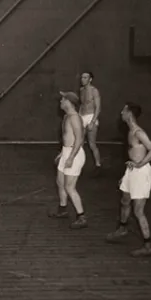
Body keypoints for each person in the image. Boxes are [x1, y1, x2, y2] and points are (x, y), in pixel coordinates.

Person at [105, 102, 151, 256]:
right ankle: (122, 229)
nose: (121, 113)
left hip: (141, 172)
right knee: (125, 200)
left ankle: (148, 246)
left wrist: (140, 164)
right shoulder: (129, 131)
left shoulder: (138, 132)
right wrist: (127, 173)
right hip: (132, 171)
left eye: (123, 110)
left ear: (129, 113)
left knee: (138, 211)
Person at [49, 91, 88, 229]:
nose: (60, 102)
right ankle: (63, 209)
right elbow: (67, 138)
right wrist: (62, 153)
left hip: (74, 154)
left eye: (62, 99)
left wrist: (71, 157)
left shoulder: (75, 118)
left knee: (69, 187)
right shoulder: (67, 116)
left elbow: (79, 139)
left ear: (69, 102)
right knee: (60, 183)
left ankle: (81, 217)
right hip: (67, 152)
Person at [79, 71, 103, 175]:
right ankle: (77, 164)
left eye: (85, 77)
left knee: (92, 143)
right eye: (82, 77)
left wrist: (92, 122)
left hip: (91, 116)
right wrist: (79, 117)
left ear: (90, 79)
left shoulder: (94, 91)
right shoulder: (81, 90)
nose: (83, 79)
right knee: (79, 142)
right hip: (82, 117)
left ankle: (98, 165)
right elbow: (82, 105)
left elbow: (98, 107)